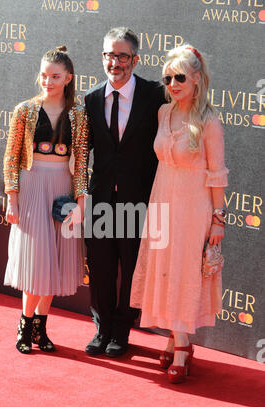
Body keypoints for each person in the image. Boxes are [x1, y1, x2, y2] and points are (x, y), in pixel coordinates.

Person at [130, 44, 229, 383]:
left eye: (180, 78)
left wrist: (218, 220)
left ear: (197, 80)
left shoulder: (209, 121)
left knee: (184, 270)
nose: (172, 84)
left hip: (193, 206)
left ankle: (183, 347)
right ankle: (176, 336)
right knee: (165, 270)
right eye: (168, 78)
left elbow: (217, 174)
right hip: (162, 200)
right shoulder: (163, 113)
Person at [84, 27, 166, 358]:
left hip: (139, 200)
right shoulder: (91, 98)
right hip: (101, 198)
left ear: (135, 59)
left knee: (131, 269)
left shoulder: (156, 95)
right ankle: (101, 329)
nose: (114, 62)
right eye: (108, 55)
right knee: (101, 268)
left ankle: (121, 331)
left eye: (121, 56)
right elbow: (84, 150)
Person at [3, 46, 89, 354]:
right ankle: (25, 325)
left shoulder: (78, 113)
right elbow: (11, 157)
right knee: (36, 260)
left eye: (55, 76)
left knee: (55, 259)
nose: (48, 81)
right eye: (44, 75)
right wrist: (12, 200)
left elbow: (80, 162)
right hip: (31, 186)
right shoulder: (24, 110)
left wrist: (81, 202)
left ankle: (41, 327)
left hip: (61, 187)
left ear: (68, 78)